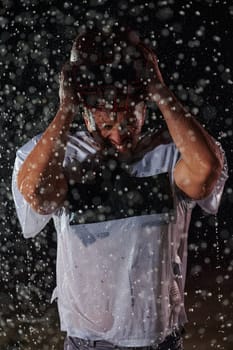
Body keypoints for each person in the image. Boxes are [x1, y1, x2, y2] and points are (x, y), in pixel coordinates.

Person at [12, 27, 228, 350]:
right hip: (88, 342)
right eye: (107, 123)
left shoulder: (168, 151)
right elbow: (37, 194)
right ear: (85, 114)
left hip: (159, 341)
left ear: (144, 107)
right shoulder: (61, 155)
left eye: (129, 120)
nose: (119, 135)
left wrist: (159, 90)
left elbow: (206, 171)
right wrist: (64, 110)